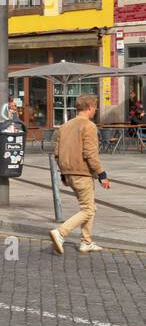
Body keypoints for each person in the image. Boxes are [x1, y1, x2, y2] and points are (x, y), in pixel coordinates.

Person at [50, 93, 110, 255]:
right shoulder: (89, 126)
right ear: (90, 108)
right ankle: (61, 232)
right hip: (82, 173)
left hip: (68, 173)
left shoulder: (65, 126)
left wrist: (63, 173)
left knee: (89, 206)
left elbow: (56, 152)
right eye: (95, 108)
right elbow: (90, 154)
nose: (95, 111)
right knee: (88, 210)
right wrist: (102, 174)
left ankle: (86, 241)